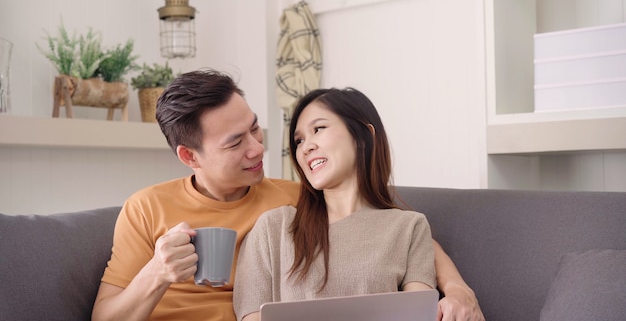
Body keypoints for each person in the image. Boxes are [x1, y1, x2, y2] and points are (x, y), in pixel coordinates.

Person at [91, 69, 485, 321]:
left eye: (255, 129)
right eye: (235, 144)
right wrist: (157, 273)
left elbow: (393, 231)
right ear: (190, 156)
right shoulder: (145, 208)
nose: (257, 149)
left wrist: (458, 288)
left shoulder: (294, 199)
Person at [233, 87, 435, 321]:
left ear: (363, 136)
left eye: (318, 129)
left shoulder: (411, 227)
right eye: (299, 140)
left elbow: (419, 315)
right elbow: (251, 316)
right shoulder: (273, 228)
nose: (306, 147)